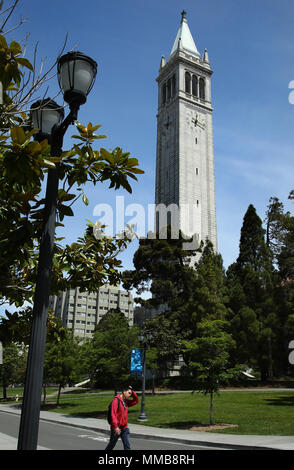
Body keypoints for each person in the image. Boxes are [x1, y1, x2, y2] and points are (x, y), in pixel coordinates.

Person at [105, 385, 139, 451]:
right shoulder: (116, 401)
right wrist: (116, 427)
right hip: (116, 427)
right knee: (111, 445)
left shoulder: (126, 402)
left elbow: (136, 401)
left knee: (127, 446)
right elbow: (113, 415)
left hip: (124, 427)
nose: (130, 395)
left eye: (130, 394)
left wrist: (132, 391)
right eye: (129, 393)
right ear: (124, 391)